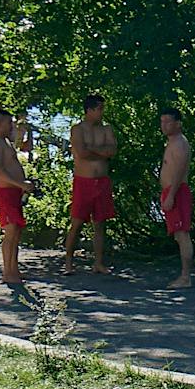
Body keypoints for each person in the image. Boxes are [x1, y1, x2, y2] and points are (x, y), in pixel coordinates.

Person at [64, 94, 117, 276]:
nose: (102, 113)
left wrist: (94, 150)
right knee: (77, 222)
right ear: (90, 110)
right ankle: (69, 262)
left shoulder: (106, 129)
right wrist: (100, 152)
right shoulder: (78, 129)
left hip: (102, 181)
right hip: (83, 181)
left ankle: (99, 263)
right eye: (99, 109)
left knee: (100, 223)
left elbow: (112, 151)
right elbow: (82, 153)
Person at [0, 109, 34, 285]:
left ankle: (14, 269)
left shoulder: (6, 141)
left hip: (15, 193)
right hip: (6, 192)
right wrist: (21, 184)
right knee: (10, 231)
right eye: (8, 123)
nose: (11, 126)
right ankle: (7, 272)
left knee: (17, 232)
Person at [158, 106, 195, 291]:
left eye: (168, 121)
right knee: (178, 235)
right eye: (162, 121)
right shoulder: (171, 142)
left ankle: (185, 276)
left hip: (177, 192)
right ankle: (183, 275)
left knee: (182, 234)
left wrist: (171, 195)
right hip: (171, 191)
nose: (164, 125)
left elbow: (179, 171)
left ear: (178, 124)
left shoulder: (180, 143)